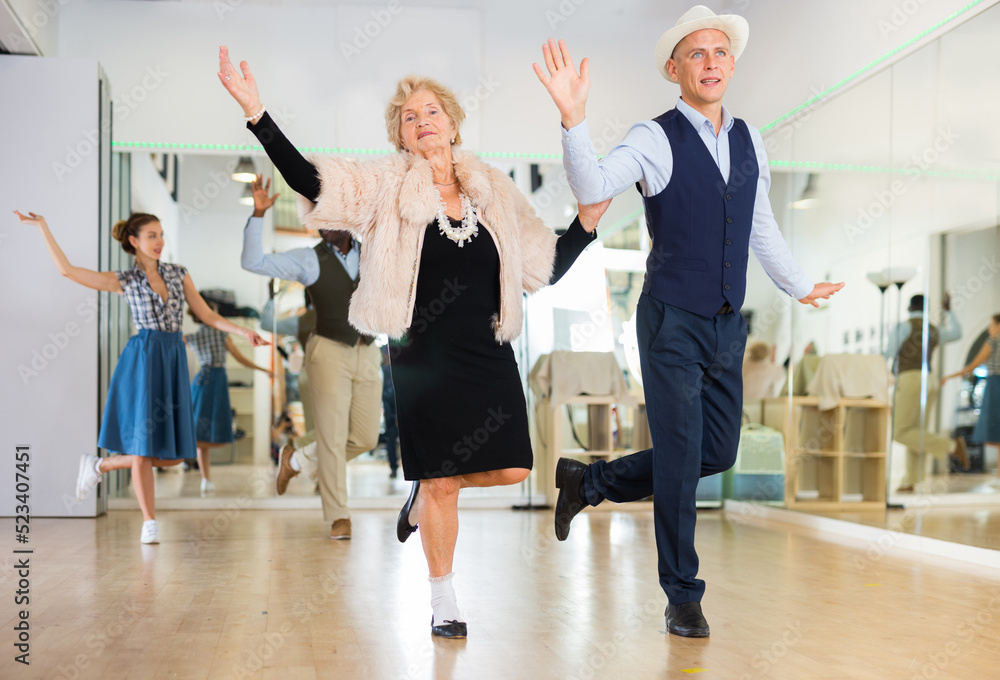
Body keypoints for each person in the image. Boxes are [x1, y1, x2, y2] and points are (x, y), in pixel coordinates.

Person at [217, 45, 610, 638]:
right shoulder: (384, 185)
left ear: (453, 122)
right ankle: (443, 599)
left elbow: (542, 266)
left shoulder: (494, 191)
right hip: (422, 353)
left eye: (430, 111)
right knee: (445, 480)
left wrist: (585, 226)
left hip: (488, 348)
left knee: (512, 468)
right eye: (408, 117)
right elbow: (313, 180)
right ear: (401, 138)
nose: (421, 120)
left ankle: (423, 489)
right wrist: (257, 113)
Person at [533, 5, 844, 638]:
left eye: (720, 52)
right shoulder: (654, 137)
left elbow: (761, 228)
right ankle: (683, 595)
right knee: (679, 463)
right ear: (675, 68)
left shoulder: (751, 138)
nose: (711, 63)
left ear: (732, 64)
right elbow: (591, 185)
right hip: (671, 320)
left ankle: (589, 480)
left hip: (728, 324)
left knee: (716, 451)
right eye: (696, 54)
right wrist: (573, 118)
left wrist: (801, 285)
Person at [13, 210, 267, 543]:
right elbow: (67, 271)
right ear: (134, 241)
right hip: (144, 358)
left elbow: (205, 313)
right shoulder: (125, 280)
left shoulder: (179, 274)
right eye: (152, 235)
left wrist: (242, 332)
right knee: (145, 449)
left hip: (173, 356)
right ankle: (149, 522)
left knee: (174, 453)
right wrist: (43, 226)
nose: (160, 241)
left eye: (161, 234)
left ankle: (99, 466)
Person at [240, 174, 382, 540]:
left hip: (367, 351)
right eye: (314, 219)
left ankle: (298, 459)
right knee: (332, 439)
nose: (318, 225)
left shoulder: (376, 252)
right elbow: (252, 262)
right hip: (327, 351)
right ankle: (339, 516)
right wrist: (258, 215)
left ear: (346, 218)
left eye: (325, 217)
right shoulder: (308, 259)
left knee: (365, 438)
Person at [184, 301, 272, 495]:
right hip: (216, 381)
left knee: (199, 432)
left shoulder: (193, 337)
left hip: (201, 381)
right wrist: (263, 370)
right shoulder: (221, 333)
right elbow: (240, 358)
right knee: (205, 432)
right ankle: (205, 478)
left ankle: (206, 479)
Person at [885, 293, 967, 492]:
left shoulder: (903, 326)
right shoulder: (934, 329)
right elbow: (957, 333)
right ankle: (910, 480)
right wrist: (948, 311)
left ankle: (951, 446)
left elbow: (887, 353)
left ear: (909, 307)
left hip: (910, 378)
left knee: (901, 431)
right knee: (916, 430)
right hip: (930, 380)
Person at [942, 313, 1000, 479]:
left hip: (996, 386)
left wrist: (950, 376)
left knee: (996, 430)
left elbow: (973, 366)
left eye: (992, 325)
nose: (990, 329)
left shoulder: (993, 342)